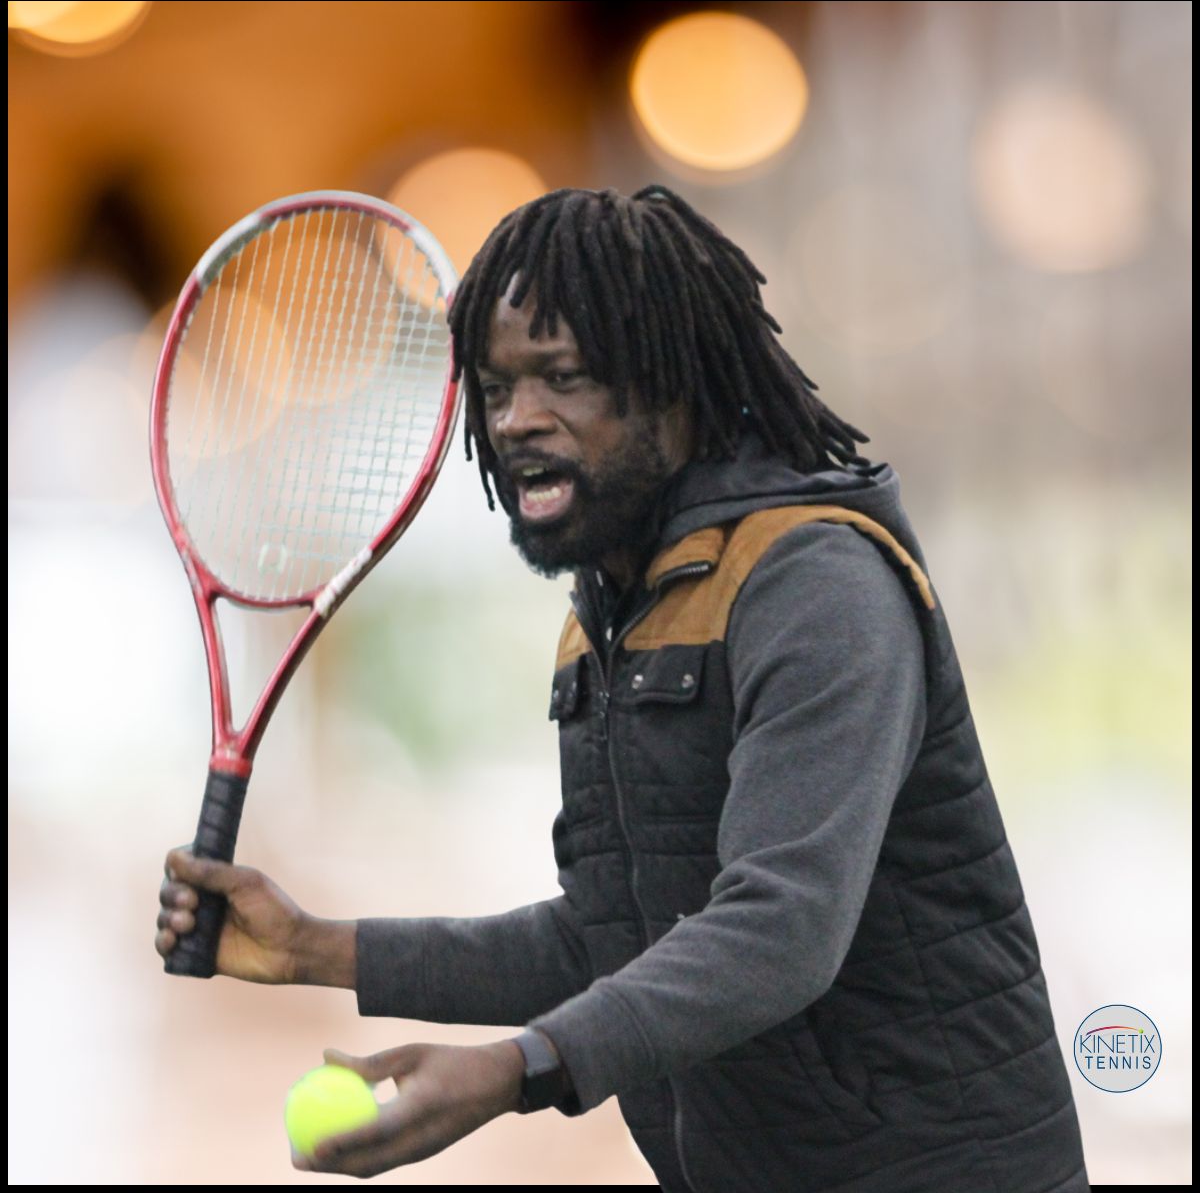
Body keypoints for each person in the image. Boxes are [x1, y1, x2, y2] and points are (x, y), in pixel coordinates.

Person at [156, 185, 1090, 1190]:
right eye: (495, 387)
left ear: (670, 385)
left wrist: (516, 1070)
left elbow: (779, 928)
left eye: (563, 377)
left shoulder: (818, 585)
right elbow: (614, 933)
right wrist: (314, 950)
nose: (517, 420)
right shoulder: (611, 615)